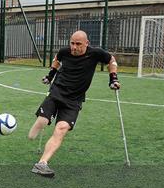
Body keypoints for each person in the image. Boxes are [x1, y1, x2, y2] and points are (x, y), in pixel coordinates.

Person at [27, 30, 120, 177]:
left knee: (61, 129)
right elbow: (57, 59)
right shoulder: (65, 52)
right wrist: (50, 75)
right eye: (72, 43)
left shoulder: (95, 53)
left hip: (74, 100)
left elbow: (111, 60)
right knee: (41, 122)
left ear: (86, 43)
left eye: (78, 44)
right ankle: (32, 134)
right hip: (57, 92)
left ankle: (42, 164)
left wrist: (113, 78)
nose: (74, 47)